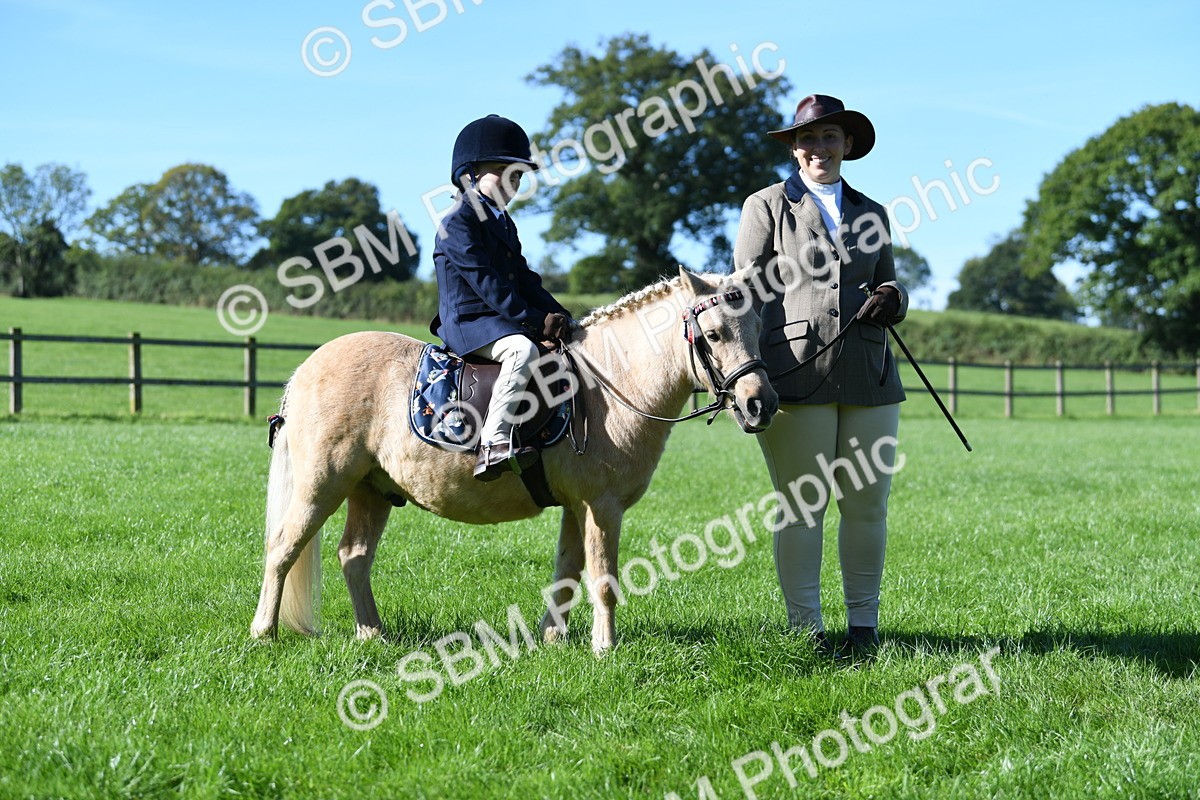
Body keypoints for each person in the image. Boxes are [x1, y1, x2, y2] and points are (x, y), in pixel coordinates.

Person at [733, 94, 908, 656]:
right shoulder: (764, 206)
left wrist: (891, 297)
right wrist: (750, 372)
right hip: (795, 374)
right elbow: (744, 292)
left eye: (830, 138)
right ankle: (806, 631)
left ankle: (864, 630)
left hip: (870, 372)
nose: (818, 148)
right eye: (807, 139)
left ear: (848, 146)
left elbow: (890, 281)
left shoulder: (872, 212)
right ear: (794, 147)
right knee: (802, 506)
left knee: (866, 504)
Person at [430, 114, 574, 481]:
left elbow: (524, 278)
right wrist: (533, 322)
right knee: (522, 351)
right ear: (470, 174)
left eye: (519, 175)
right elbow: (487, 282)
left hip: (499, 320)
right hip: (470, 324)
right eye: (503, 171)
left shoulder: (503, 221)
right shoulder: (457, 220)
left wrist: (559, 314)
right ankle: (494, 442)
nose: (513, 182)